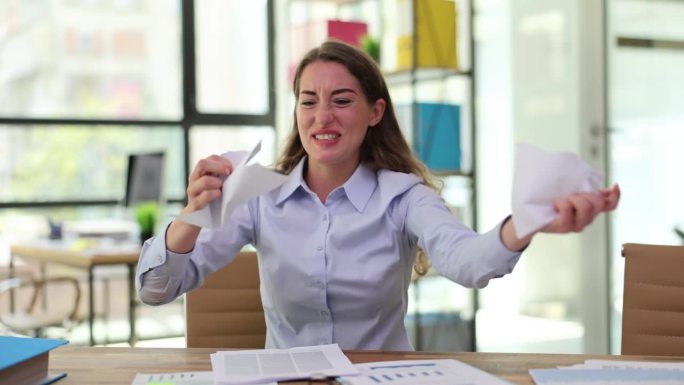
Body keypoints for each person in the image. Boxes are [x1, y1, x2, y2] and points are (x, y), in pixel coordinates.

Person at [135, 40, 620, 351]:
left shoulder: (403, 196)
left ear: (374, 112)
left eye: (341, 100)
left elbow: (469, 262)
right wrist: (190, 218)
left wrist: (527, 220)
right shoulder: (260, 196)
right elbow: (155, 291)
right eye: (309, 101)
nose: (322, 116)